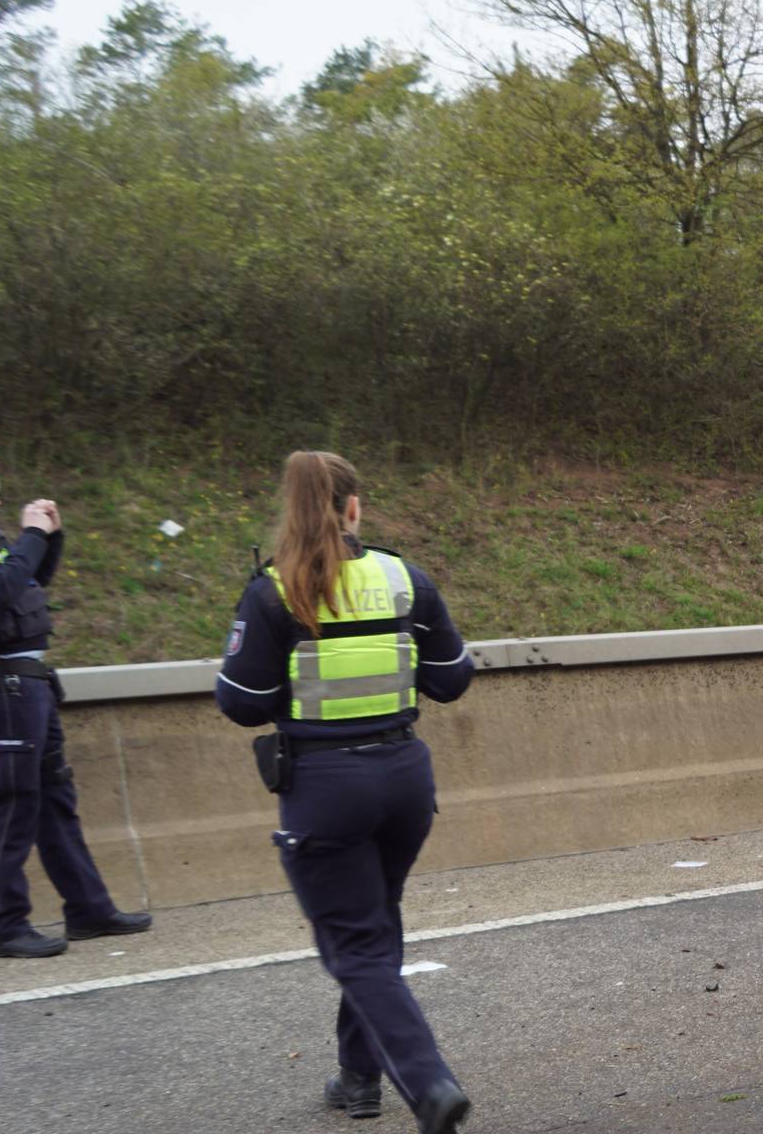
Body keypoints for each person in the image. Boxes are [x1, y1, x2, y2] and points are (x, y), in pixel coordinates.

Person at [215, 452, 475, 1131]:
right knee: (376, 923)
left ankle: (429, 1083)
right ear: (354, 508)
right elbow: (451, 679)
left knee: (357, 946)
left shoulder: (274, 592)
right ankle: (359, 1078)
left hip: (326, 789)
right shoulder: (404, 579)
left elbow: (242, 702)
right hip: (404, 782)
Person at [0, 447, 147, 958]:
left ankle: (89, 909)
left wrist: (51, 535)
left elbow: (28, 583)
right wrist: (30, 533)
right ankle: (4, 926)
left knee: (54, 798)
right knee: (12, 804)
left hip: (28, 681)